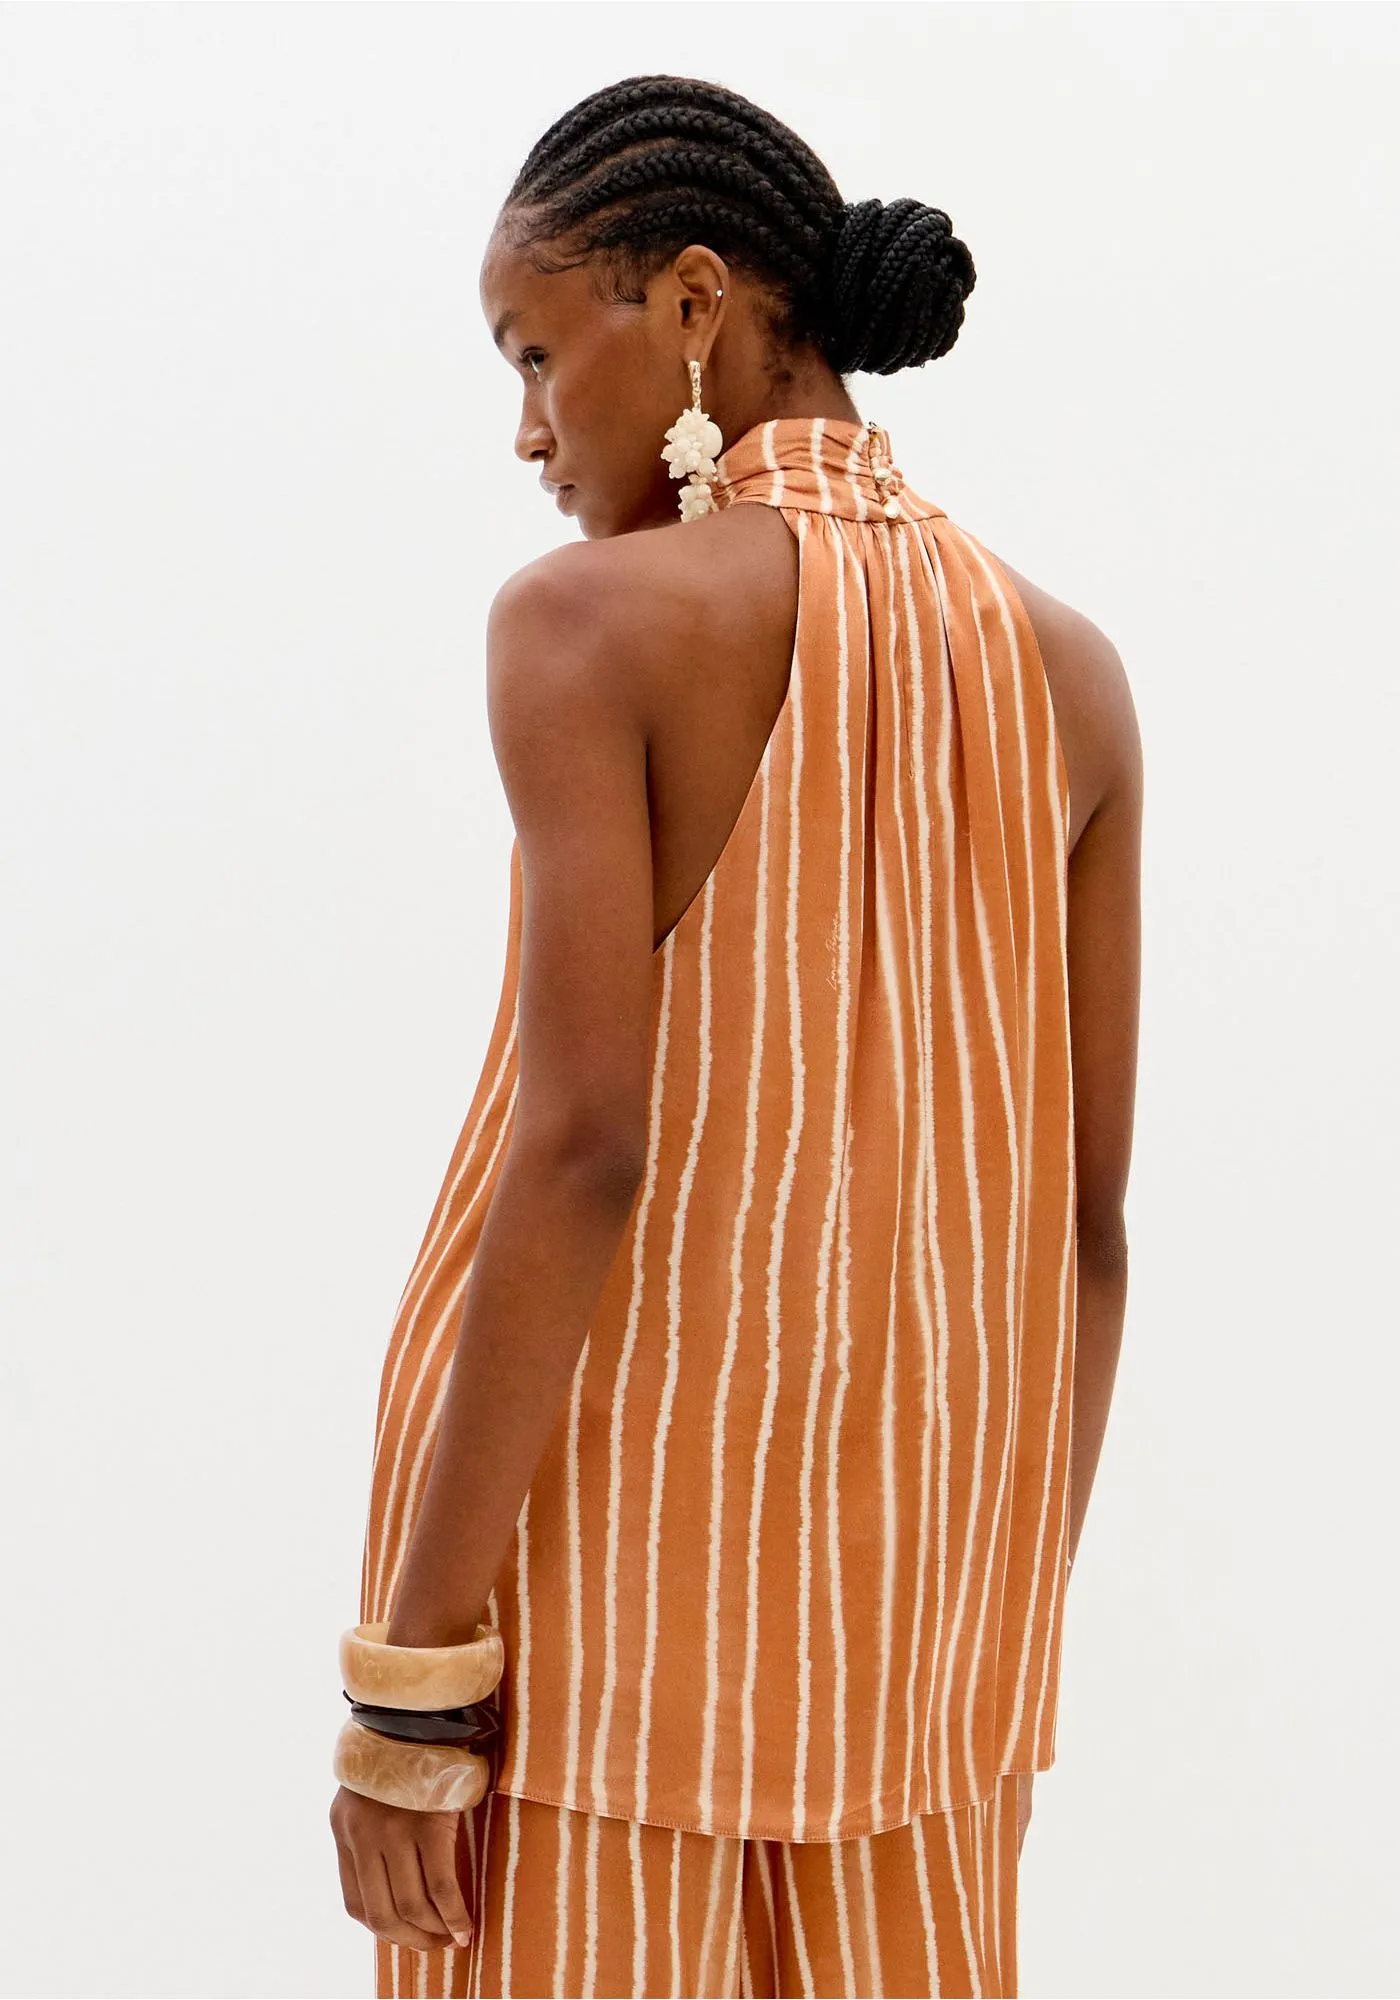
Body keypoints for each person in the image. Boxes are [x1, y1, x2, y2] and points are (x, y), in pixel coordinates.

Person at [329, 71, 1141, 2000]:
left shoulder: (587, 629)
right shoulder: (1075, 674)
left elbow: (582, 1146)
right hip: (921, 1681)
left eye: (537, 351)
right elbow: (1086, 1237)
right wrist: (989, 1657)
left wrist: (414, 1687)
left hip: (585, 1666)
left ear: (693, 303)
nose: (529, 430)